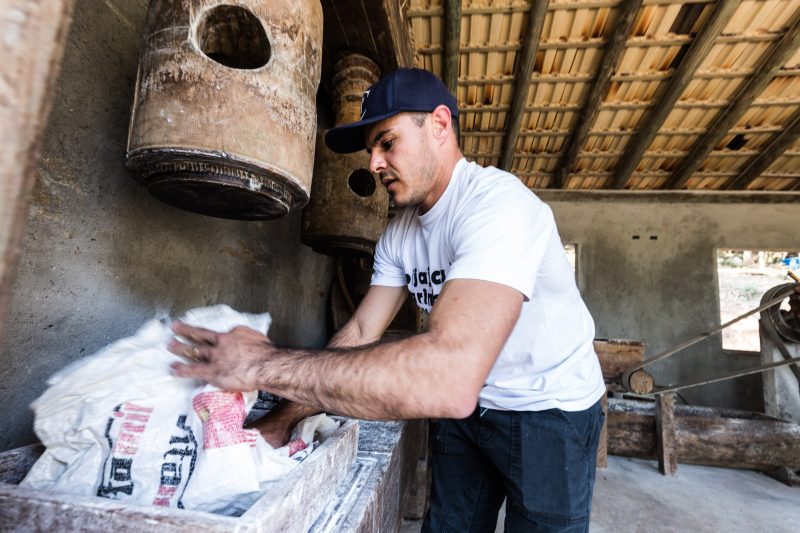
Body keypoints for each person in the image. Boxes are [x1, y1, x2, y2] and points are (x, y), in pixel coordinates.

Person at [169, 68, 606, 532]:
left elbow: (449, 375)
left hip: (548, 409)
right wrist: (283, 419)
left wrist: (262, 365)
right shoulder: (400, 234)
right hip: (469, 410)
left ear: (440, 124)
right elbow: (361, 331)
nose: (374, 164)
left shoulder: (499, 207)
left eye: (387, 142)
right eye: (371, 150)